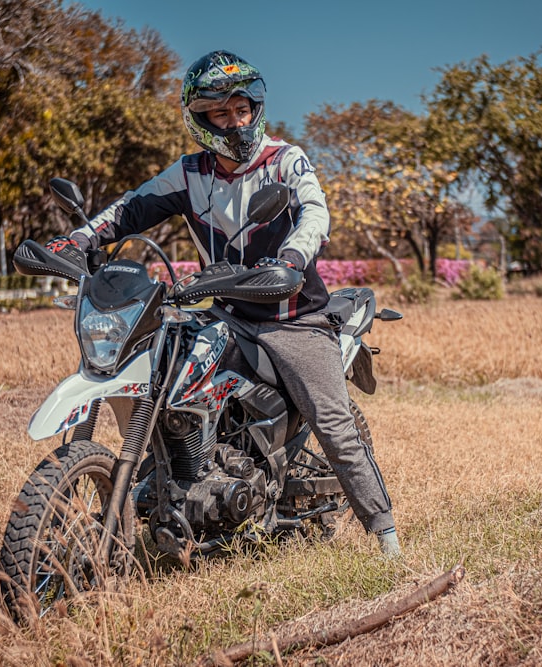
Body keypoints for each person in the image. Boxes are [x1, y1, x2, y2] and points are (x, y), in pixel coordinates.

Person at [45, 50, 399, 557]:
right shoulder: (190, 174)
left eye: (242, 109)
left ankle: (387, 537)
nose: (235, 121)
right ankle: (180, 483)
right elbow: (129, 208)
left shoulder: (285, 161)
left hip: (293, 316)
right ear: (200, 119)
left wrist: (294, 257)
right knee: (164, 371)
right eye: (220, 113)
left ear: (255, 108)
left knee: (334, 424)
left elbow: (314, 212)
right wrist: (79, 239)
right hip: (225, 311)